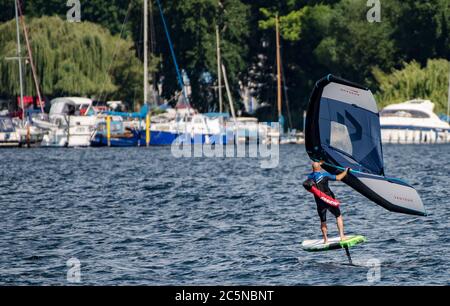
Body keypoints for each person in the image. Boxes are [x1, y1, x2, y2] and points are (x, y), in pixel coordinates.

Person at [307, 161, 349, 243]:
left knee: (323, 221)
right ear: (319, 168)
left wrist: (320, 163)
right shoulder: (324, 175)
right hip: (329, 200)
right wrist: (346, 171)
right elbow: (339, 177)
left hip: (319, 202)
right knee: (338, 216)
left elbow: (315, 169)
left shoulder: (310, 177)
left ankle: (325, 239)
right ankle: (342, 236)